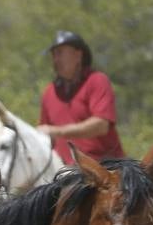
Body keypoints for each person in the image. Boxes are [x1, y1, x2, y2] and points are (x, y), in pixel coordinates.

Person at [37, 30, 125, 164]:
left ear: (78, 55)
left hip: (105, 169)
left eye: (60, 53)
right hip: (64, 173)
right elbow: (44, 137)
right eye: (54, 55)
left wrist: (57, 131)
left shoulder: (96, 81)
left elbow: (101, 125)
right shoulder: (49, 92)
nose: (55, 59)